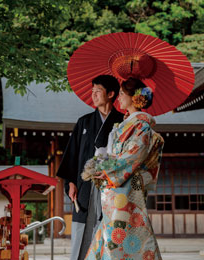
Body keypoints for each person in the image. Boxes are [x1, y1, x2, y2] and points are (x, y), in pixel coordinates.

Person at [84, 77, 164, 259]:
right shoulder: (127, 124)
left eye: (121, 93)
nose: (118, 98)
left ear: (133, 97)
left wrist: (105, 170)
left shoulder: (142, 126)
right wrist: (102, 160)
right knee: (112, 231)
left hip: (126, 188)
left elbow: (131, 157)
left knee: (123, 233)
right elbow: (119, 155)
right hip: (116, 187)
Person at [56, 75, 124, 260]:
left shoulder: (123, 122)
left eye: (98, 91)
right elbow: (71, 155)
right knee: (82, 235)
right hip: (85, 186)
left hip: (111, 186)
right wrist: (70, 182)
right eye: (92, 91)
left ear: (111, 94)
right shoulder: (84, 122)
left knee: (111, 233)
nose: (93, 95)